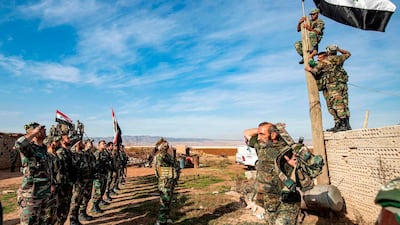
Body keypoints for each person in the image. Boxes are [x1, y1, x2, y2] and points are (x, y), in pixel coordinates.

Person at [243, 122, 301, 225]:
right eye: (259, 134)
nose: (259, 137)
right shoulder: (261, 146)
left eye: (262, 134)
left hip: (287, 198)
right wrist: (267, 128)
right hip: (270, 199)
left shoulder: (287, 148)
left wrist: (296, 165)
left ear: (273, 135)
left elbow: (306, 168)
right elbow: (246, 132)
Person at [305, 45, 351, 132]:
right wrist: (339, 49)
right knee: (343, 103)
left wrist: (309, 66)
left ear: (327, 52)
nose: (318, 58)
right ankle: (342, 124)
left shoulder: (324, 61)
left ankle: (343, 124)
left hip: (332, 85)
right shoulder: (340, 58)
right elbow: (348, 53)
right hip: (342, 83)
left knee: (337, 104)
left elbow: (314, 69)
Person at [14, 122, 51, 225]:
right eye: (40, 129)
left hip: (43, 195)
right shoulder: (29, 148)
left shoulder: (43, 149)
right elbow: (18, 144)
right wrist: (34, 132)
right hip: (30, 196)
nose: (44, 130)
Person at [154, 138, 180, 225]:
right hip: (164, 183)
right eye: (165, 146)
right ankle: (161, 221)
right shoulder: (160, 156)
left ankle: (165, 218)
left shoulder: (168, 156)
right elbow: (158, 171)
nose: (167, 146)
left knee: (168, 202)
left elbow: (175, 164)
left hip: (170, 182)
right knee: (164, 202)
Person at [55, 131, 75, 225]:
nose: (69, 139)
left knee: (66, 208)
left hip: (68, 183)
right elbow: (59, 170)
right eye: (68, 138)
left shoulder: (68, 152)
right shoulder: (60, 152)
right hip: (62, 185)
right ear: (62, 141)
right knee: (60, 209)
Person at [44, 135, 61, 225]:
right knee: (49, 214)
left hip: (57, 186)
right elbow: (48, 173)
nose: (57, 143)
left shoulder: (55, 155)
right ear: (50, 144)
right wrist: (51, 184)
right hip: (50, 188)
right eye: (55, 142)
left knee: (55, 212)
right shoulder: (47, 157)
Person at [91, 140, 109, 213]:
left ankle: (97, 205)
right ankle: (94, 206)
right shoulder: (96, 154)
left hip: (104, 175)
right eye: (103, 143)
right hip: (98, 176)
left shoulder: (104, 153)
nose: (104, 144)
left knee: (102, 190)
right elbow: (94, 165)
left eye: (105, 143)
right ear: (99, 145)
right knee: (97, 192)